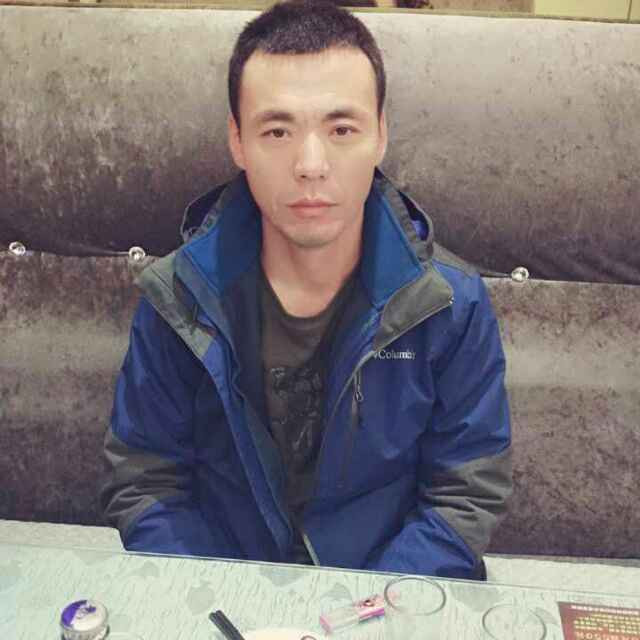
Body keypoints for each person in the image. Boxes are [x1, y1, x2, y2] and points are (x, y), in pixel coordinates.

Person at [100, 0, 512, 579]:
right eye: (277, 131)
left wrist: (368, 606)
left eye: (341, 129)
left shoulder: (449, 303)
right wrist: (225, 598)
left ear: (380, 136)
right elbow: (145, 480)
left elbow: (465, 492)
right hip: (222, 594)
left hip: (385, 596)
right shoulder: (179, 297)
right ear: (237, 141)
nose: (311, 164)